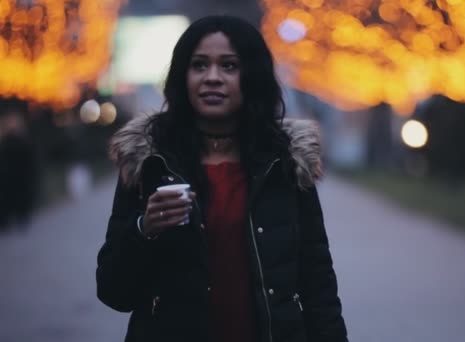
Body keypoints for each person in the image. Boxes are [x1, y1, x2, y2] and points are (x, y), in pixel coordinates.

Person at [96, 15, 348, 342]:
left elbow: (318, 285)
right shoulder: (150, 161)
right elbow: (114, 292)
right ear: (182, 77)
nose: (212, 77)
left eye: (229, 66)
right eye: (199, 65)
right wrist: (146, 230)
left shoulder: (285, 162)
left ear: (252, 76)